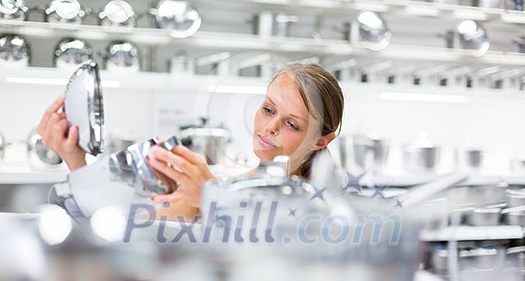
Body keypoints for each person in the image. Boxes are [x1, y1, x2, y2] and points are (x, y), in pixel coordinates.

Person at [37, 63, 344, 221]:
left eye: (291, 123)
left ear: (321, 140)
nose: (270, 127)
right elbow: (118, 221)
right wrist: (75, 158)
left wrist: (209, 197)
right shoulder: (235, 183)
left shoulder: (323, 202)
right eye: (268, 110)